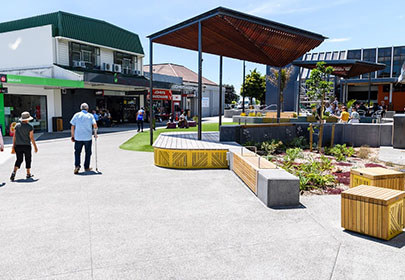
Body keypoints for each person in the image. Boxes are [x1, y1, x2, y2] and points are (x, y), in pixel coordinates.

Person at [10, 112, 38, 181]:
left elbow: (14, 137)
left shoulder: (17, 126)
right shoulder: (30, 127)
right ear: (28, 119)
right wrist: (35, 147)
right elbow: (31, 138)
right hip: (27, 146)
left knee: (19, 159)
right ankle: (28, 173)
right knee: (28, 159)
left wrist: (13, 146)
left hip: (18, 146)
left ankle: (14, 172)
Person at [70, 103, 98, 174]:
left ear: (81, 108)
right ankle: (86, 167)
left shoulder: (76, 115)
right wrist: (95, 134)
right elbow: (95, 125)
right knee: (88, 152)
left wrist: (72, 136)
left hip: (78, 137)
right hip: (87, 137)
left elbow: (72, 126)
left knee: (77, 152)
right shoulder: (90, 115)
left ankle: (77, 166)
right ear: (87, 109)